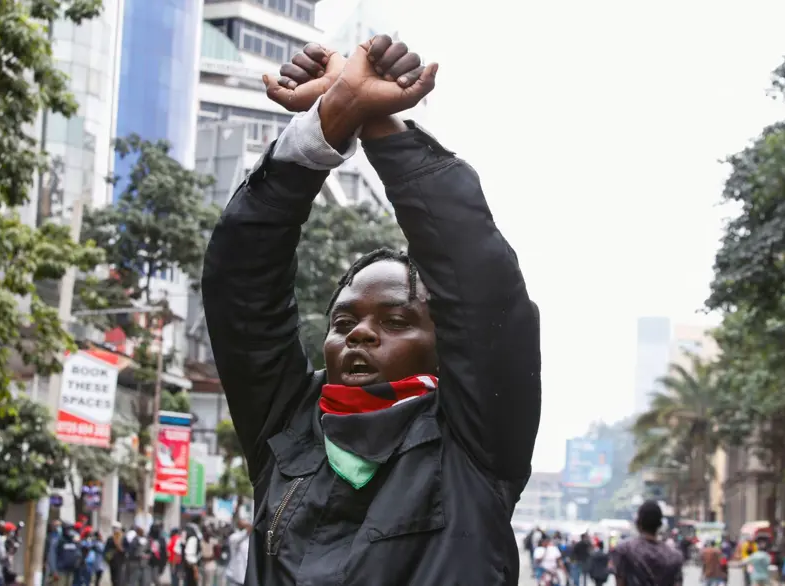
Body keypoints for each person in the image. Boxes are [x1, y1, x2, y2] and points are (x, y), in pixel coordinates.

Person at [201, 34, 541, 586]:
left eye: (396, 320)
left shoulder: (476, 443)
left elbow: (480, 284)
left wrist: (380, 123)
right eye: (343, 322)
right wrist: (330, 119)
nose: (359, 334)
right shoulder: (286, 426)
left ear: (445, 343)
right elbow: (239, 285)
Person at [611, 501, 683, 586]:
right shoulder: (674, 556)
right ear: (659, 524)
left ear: (638, 523)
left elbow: (620, 582)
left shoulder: (624, 550)